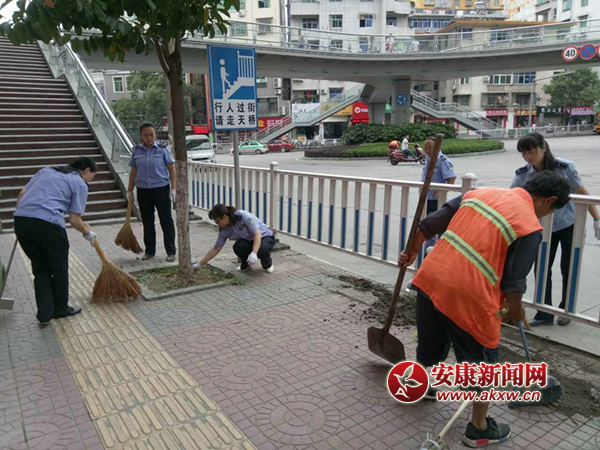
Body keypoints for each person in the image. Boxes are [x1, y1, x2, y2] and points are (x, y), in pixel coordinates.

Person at [399, 171, 571, 447]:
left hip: (431, 278)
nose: (545, 216)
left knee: (431, 339)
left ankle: (422, 385)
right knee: (481, 360)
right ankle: (478, 428)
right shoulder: (529, 226)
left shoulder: (478, 194)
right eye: (550, 211)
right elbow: (514, 281)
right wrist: (515, 310)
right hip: (469, 296)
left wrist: (411, 253)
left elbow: (428, 226)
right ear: (549, 200)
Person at [510, 133, 600, 326]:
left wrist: (597, 219)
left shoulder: (565, 167)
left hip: (569, 224)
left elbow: (582, 193)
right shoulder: (522, 174)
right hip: (541, 228)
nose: (528, 157)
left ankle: (566, 309)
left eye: (531, 151)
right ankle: (545, 312)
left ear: (544, 147)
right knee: (542, 268)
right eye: (524, 153)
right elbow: (512, 197)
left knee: (569, 267)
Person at [13, 157, 99, 325]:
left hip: (22, 221)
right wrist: (88, 233)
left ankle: (44, 314)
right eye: (92, 177)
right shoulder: (79, 183)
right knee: (59, 269)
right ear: (87, 170)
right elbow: (74, 220)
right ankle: (60, 308)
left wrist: (25, 216)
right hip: (49, 225)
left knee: (40, 268)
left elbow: (22, 193)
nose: (90, 181)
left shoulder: (46, 170)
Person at [128, 122, 177, 262]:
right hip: (143, 191)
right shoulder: (136, 151)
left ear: (155, 135)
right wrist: (130, 190)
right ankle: (150, 251)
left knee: (166, 221)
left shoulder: (162, 149)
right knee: (147, 222)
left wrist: (173, 188)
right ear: (141, 136)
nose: (149, 138)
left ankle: (171, 252)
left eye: (151, 135)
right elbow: (133, 172)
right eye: (145, 135)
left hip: (161, 189)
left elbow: (172, 169)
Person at [193, 204, 275, 273]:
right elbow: (216, 248)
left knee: (262, 249)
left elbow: (257, 234)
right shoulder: (224, 230)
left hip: (264, 237)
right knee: (238, 246)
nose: (217, 224)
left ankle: (267, 264)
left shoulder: (243, 216)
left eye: (217, 221)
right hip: (249, 241)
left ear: (224, 217)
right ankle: (246, 265)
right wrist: (200, 264)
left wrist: (254, 252)